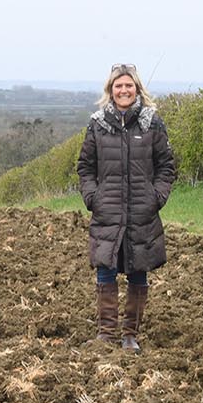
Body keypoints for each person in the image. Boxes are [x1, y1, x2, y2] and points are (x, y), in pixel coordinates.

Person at [77, 63, 176, 353]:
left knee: (138, 271)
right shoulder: (97, 124)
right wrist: (92, 197)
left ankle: (130, 335)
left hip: (141, 213)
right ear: (110, 90)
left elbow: (167, 166)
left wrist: (156, 197)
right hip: (106, 211)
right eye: (118, 86)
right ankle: (106, 334)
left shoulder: (152, 123)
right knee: (105, 269)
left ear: (137, 89)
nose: (124, 90)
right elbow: (85, 167)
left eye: (128, 85)